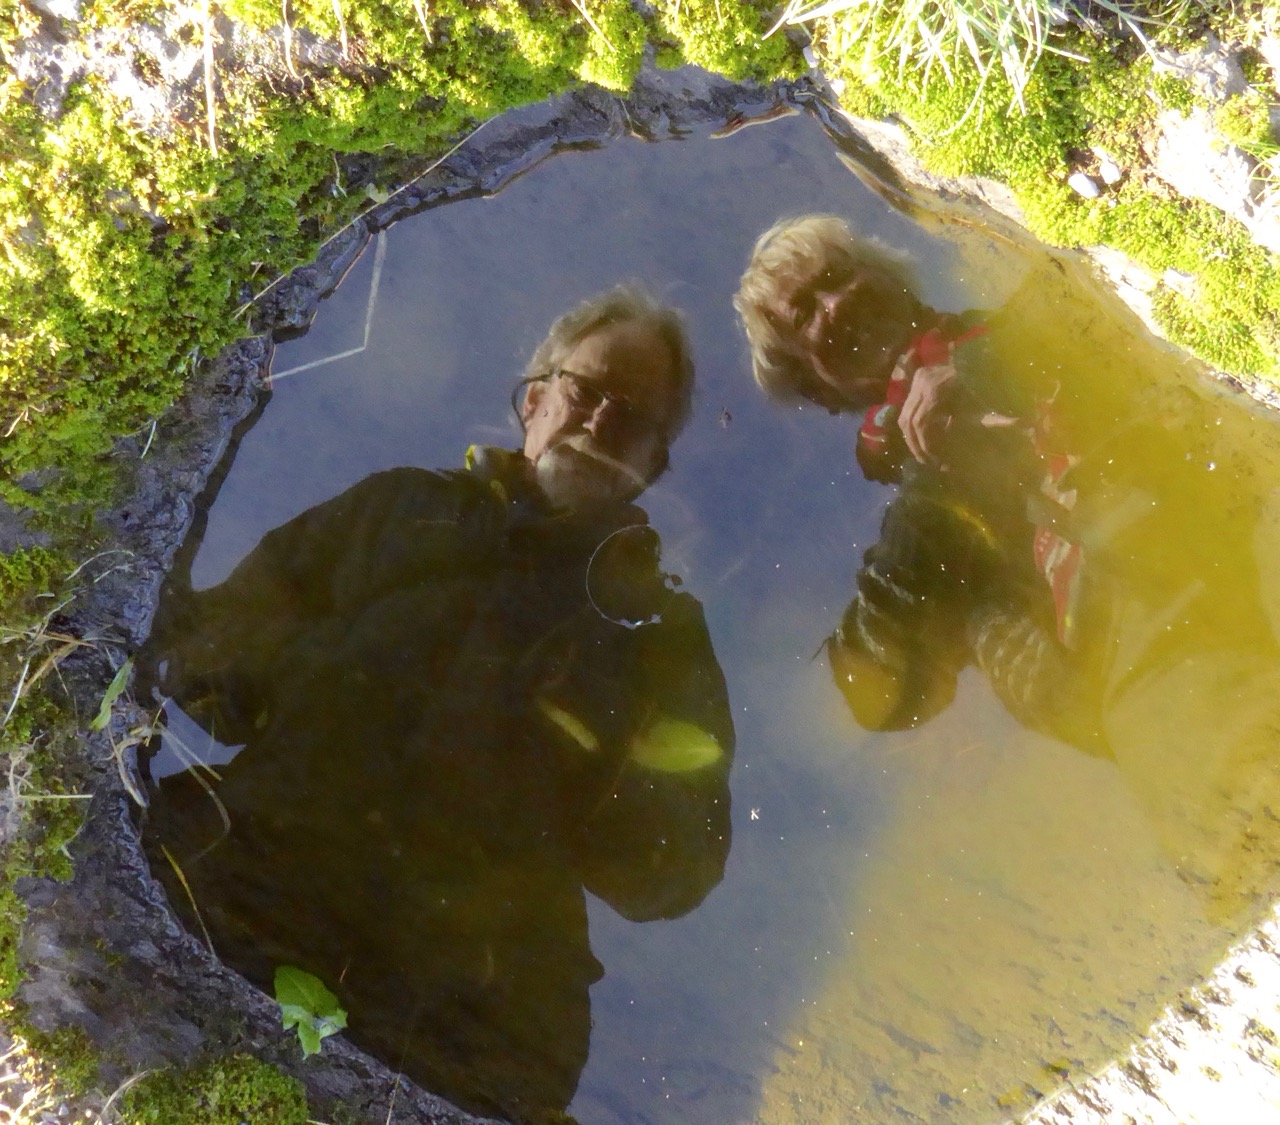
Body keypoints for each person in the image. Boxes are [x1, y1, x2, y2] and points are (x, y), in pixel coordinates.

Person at [139, 285, 735, 1125]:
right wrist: (340, 672)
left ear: (655, 463)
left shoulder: (660, 631)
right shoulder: (395, 510)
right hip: (250, 892)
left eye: (635, 414)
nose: (604, 419)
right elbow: (204, 661)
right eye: (588, 389)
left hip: (464, 1001)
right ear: (534, 400)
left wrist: (581, 765)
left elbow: (675, 870)